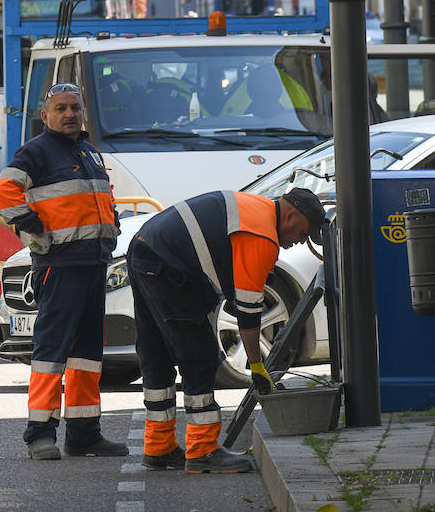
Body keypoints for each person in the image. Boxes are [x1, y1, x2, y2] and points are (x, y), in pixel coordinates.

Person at [127, 187, 325, 473]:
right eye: (302, 233)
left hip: (146, 247)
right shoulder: (263, 237)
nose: (298, 242)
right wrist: (256, 365)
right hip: (167, 263)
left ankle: (158, 446)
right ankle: (202, 449)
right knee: (200, 357)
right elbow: (247, 315)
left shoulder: (258, 209)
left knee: (156, 351)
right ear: (291, 215)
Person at [0, 82, 126, 461]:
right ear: (45, 116)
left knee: (87, 354)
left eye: (75, 108)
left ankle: (84, 434)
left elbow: (104, 197)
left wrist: (112, 224)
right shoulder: (36, 151)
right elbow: (5, 189)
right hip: (60, 265)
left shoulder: (87, 150)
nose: (69, 114)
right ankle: (40, 434)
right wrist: (31, 227)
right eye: (61, 108)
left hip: (92, 262)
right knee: (51, 351)